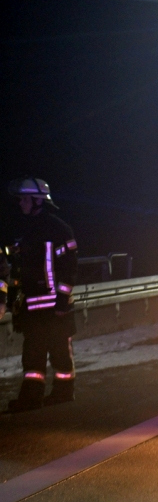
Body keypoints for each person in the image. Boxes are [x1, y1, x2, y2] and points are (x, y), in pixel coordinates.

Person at [5, 177, 78, 413]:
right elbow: (13, 268)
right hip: (31, 307)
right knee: (33, 355)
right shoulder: (22, 231)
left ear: (37, 201)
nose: (20, 204)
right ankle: (31, 397)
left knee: (59, 352)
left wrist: (62, 300)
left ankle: (63, 391)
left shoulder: (58, 229)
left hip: (54, 307)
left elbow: (69, 268)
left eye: (24, 199)